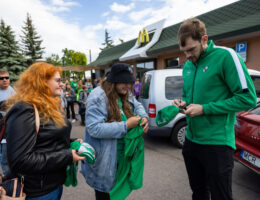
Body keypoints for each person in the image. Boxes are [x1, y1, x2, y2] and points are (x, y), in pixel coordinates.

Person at [173, 18, 257, 200]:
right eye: (183, 51)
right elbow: (190, 97)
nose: (187, 56)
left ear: (204, 39)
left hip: (217, 144)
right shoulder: (188, 65)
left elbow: (247, 98)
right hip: (191, 141)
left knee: (221, 196)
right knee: (199, 193)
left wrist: (204, 109)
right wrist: (184, 105)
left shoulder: (226, 56)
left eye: (191, 49)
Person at [4, 62, 85, 199]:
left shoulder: (49, 105)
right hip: (36, 191)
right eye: (57, 80)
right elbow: (20, 160)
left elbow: (46, 140)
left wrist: (70, 142)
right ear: (41, 82)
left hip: (54, 184)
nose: (61, 84)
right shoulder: (25, 110)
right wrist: (67, 156)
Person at [81, 63, 149, 200]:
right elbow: (94, 128)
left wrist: (144, 117)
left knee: (117, 193)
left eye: (129, 82)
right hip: (105, 161)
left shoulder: (124, 92)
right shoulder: (97, 96)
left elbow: (137, 104)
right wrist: (125, 126)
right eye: (124, 82)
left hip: (121, 158)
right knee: (105, 195)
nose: (128, 86)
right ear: (113, 81)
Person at [0, 69, 15, 177]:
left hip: (8, 130)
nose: (4, 80)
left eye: (7, 77)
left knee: (5, 157)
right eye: (1, 78)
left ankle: (9, 180)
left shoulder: (14, 92)